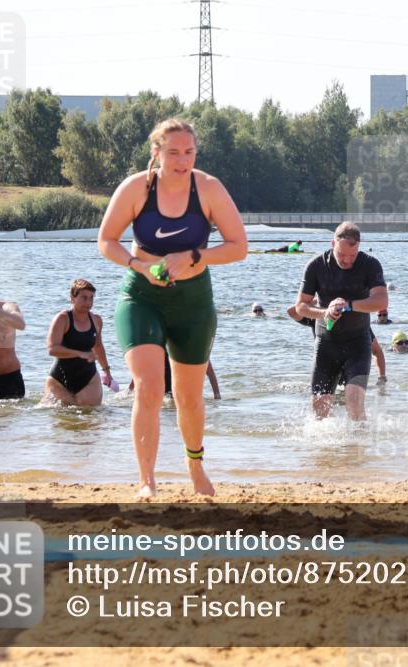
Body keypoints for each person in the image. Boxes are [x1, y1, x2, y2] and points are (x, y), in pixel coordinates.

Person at [97, 118, 247, 498]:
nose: (183, 160)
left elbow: (238, 246)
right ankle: (146, 481)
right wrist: (140, 266)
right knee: (148, 387)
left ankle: (195, 467)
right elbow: (106, 241)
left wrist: (195, 254)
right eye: (174, 152)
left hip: (193, 301)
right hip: (141, 296)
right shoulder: (136, 188)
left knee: (189, 397)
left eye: (190, 152)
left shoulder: (209, 188)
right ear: (157, 152)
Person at [294, 222, 387, 420]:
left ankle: (359, 447)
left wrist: (349, 305)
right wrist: (324, 313)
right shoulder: (316, 266)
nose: (347, 260)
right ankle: (325, 451)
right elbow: (300, 307)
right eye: (342, 255)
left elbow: (381, 301)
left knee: (354, 400)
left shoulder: (370, 264)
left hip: (358, 343)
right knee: (320, 408)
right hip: (326, 343)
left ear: (359, 247)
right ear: (332, 243)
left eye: (352, 256)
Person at [43, 279, 112, 406]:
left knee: (90, 418)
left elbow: (98, 346)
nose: (88, 302)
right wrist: (80, 354)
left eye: (91, 298)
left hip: (89, 378)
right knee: (63, 420)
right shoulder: (63, 318)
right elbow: (52, 349)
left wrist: (107, 371)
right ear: (72, 298)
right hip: (59, 379)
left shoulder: (96, 320)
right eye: (84, 298)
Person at [287, 299, 387, 385]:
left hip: (350, 370)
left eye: (339, 311)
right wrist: (316, 300)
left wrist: (381, 378)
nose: (336, 314)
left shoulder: (357, 325)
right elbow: (292, 312)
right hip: (327, 366)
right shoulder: (318, 320)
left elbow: (377, 351)